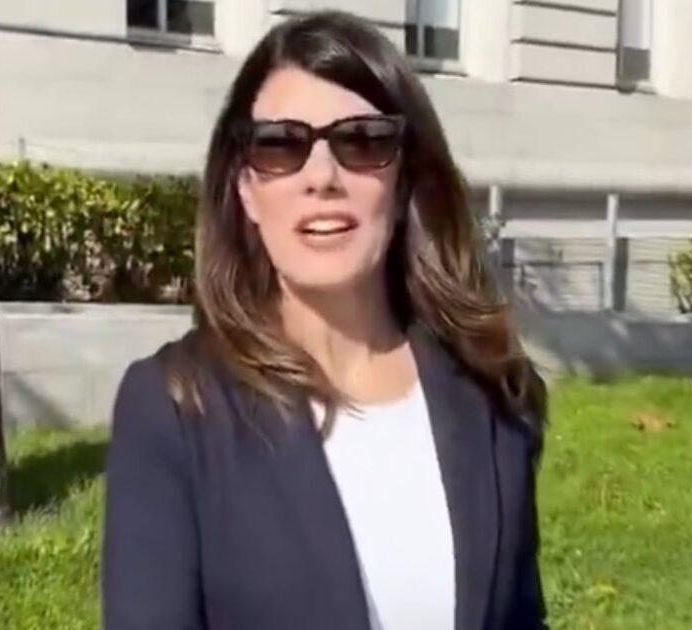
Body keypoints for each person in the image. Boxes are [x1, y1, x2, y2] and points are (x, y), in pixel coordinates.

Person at [101, 9, 549, 630]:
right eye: (281, 144)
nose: (322, 177)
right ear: (245, 188)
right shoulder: (176, 408)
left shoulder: (493, 394)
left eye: (362, 141)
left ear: (404, 180)